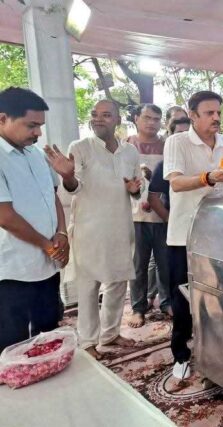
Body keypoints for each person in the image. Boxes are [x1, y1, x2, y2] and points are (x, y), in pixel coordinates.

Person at [46, 99, 141, 359]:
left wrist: (135, 190)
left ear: (118, 120)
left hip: (120, 225)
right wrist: (67, 176)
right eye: (94, 114)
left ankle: (110, 333)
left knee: (118, 281)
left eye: (106, 115)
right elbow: (74, 189)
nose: (98, 118)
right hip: (89, 228)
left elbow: (136, 188)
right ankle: (88, 341)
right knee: (89, 286)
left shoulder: (130, 151)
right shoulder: (80, 147)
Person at [163, 91, 223, 379]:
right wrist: (207, 178)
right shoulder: (178, 142)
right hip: (184, 234)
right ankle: (181, 354)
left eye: (218, 113)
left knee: (222, 292)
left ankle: (222, 349)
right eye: (209, 113)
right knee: (183, 296)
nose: (215, 118)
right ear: (193, 115)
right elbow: (176, 183)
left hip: (221, 234)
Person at [0, 87, 68, 352]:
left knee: (48, 333)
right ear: (3, 118)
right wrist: (47, 245)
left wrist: (61, 234)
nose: (38, 133)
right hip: (13, 270)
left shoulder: (36, 154)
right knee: (12, 344)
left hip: (47, 265)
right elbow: (5, 216)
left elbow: (53, 197)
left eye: (40, 126)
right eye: (31, 125)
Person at [126, 104, 171, 327]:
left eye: (156, 119)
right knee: (138, 265)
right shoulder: (127, 145)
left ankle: (167, 302)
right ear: (136, 118)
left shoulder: (167, 145)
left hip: (163, 213)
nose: (152, 123)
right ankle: (138, 307)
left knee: (165, 263)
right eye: (147, 118)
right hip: (135, 216)